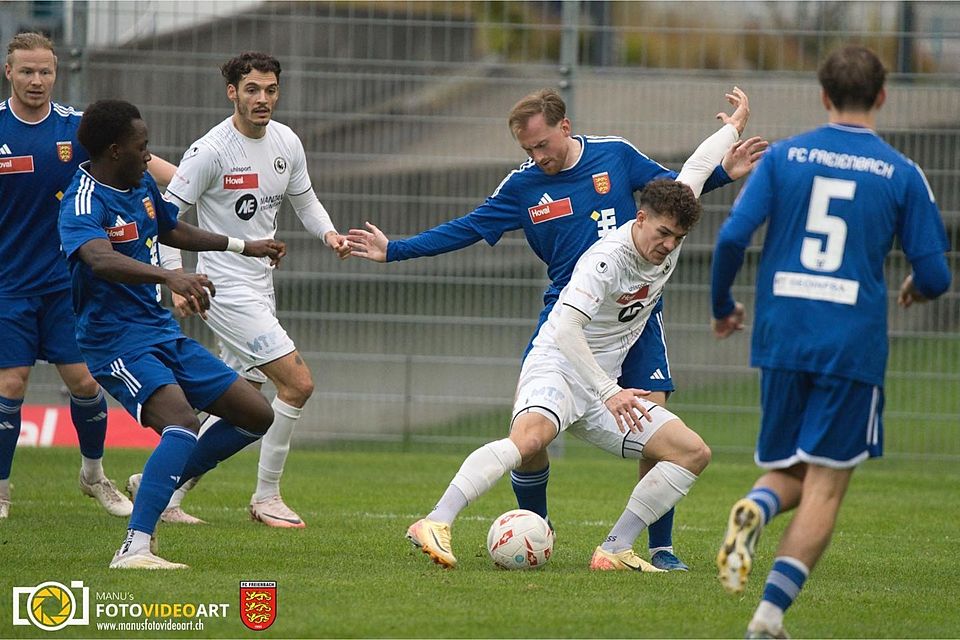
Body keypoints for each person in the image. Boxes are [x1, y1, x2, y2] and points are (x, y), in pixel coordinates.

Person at [348, 88, 765, 570]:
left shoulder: (635, 188)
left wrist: (732, 129)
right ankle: (437, 521)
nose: (670, 245)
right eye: (529, 149)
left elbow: (690, 173)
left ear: (565, 127)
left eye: (542, 144)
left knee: (690, 451)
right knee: (529, 442)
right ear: (640, 218)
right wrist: (396, 249)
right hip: (566, 353)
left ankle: (620, 548)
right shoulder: (602, 259)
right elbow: (560, 321)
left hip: (618, 346)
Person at [710, 45, 951, 638]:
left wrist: (723, 306)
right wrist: (917, 287)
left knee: (790, 469)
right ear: (882, 96)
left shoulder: (783, 157)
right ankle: (767, 618)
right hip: (850, 346)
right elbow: (937, 275)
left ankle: (756, 507)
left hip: (783, 335)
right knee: (826, 484)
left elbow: (732, 238)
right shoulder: (900, 172)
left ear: (823, 95)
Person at [57, 99, 286, 569]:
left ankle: (157, 479)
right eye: (142, 145)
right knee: (181, 422)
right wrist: (169, 277)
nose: (149, 154)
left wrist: (243, 245)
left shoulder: (140, 183)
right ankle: (134, 547)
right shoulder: (83, 199)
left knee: (255, 414)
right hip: (114, 341)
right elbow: (99, 259)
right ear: (115, 149)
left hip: (158, 330)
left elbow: (171, 229)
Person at [154, 51, 349, 528]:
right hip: (222, 288)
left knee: (242, 401)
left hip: (261, 284)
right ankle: (267, 497)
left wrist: (329, 234)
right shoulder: (210, 151)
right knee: (298, 384)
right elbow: (165, 218)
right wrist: (176, 279)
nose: (263, 99)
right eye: (252, 90)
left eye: (271, 90)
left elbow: (306, 200)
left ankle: (164, 486)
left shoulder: (286, 141)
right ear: (233, 93)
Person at [0, 32, 176, 521]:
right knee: (11, 384)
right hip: (7, 284)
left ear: (56, 73)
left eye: (45, 71)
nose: (37, 80)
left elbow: (145, 162)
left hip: (66, 284)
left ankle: (94, 475)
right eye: (27, 71)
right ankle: (1, 490)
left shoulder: (75, 129)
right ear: (9, 72)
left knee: (83, 381)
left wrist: (192, 180)